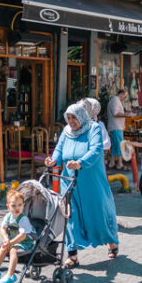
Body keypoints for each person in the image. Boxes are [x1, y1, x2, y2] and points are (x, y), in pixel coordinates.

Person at [45, 103, 119, 266]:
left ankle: (111, 242)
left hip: (91, 181)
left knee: (97, 215)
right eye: (69, 117)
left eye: (74, 117)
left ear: (82, 116)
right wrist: (53, 160)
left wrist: (80, 163)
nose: (71, 121)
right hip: (69, 181)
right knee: (71, 217)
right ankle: (72, 255)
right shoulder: (66, 132)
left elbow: (96, 149)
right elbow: (59, 149)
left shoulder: (93, 129)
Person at [0, 189, 35, 283]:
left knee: (12, 250)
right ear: (8, 206)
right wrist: (6, 240)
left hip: (24, 241)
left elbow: (23, 235)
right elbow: (2, 229)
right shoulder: (8, 216)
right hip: (12, 240)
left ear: (23, 205)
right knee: (3, 247)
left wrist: (10, 243)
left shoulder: (23, 219)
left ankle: (10, 275)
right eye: (14, 205)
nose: (17, 208)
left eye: (20, 205)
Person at [106, 89, 130, 169]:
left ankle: (112, 163)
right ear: (121, 94)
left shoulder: (114, 100)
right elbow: (115, 113)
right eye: (125, 96)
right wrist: (127, 115)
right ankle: (120, 164)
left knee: (114, 145)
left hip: (114, 126)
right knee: (120, 145)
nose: (125, 98)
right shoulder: (116, 100)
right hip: (116, 126)